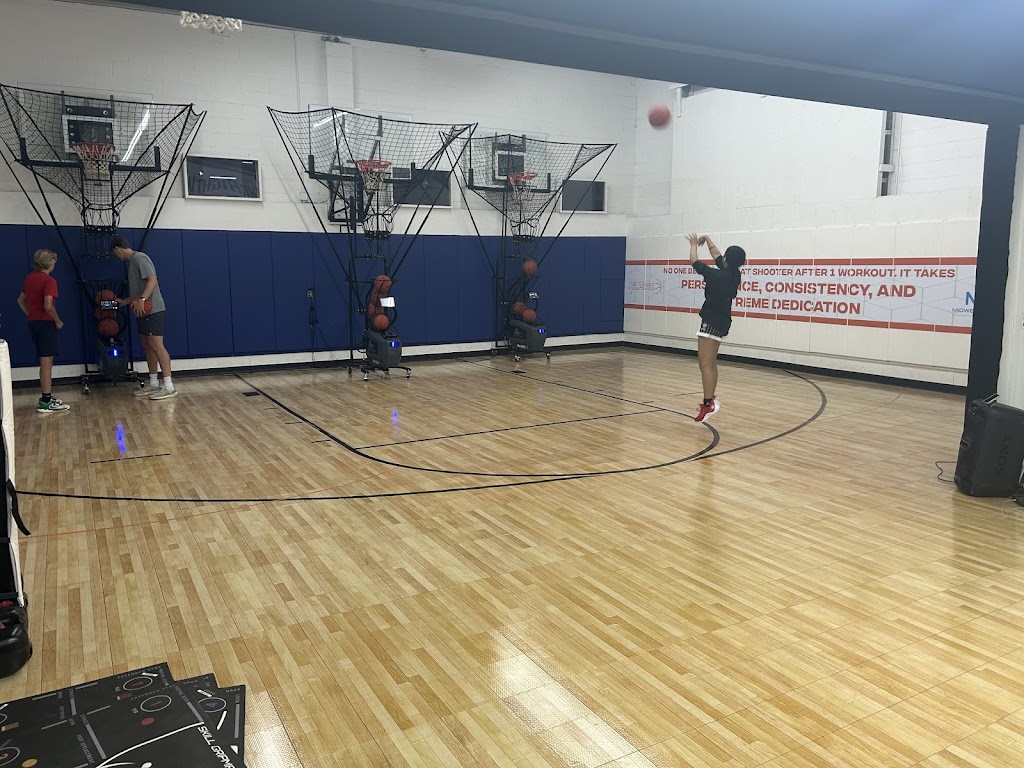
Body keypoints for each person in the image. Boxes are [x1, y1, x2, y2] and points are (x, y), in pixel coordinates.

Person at [686, 232, 746, 423]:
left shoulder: (718, 275)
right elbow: (716, 254)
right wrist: (707, 238)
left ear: (728, 259)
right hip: (722, 320)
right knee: (711, 363)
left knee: (705, 364)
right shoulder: (734, 274)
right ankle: (709, 400)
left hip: (711, 320)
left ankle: (708, 404)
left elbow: (694, 262)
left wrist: (694, 244)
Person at [110, 235, 177, 400]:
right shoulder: (132, 262)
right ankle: (154, 384)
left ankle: (168, 386)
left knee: (156, 345)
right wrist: (123, 302)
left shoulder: (140, 258)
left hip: (153, 310)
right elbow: (137, 292)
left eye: (115, 254)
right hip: (142, 311)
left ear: (117, 249)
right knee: (147, 346)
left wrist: (142, 299)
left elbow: (152, 280)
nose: (117, 257)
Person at [17, 249, 70, 413]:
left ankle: (47, 396)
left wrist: (31, 314)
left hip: (34, 323)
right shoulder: (49, 281)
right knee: (46, 363)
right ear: (50, 263)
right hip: (46, 325)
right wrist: (58, 321)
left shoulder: (29, 278)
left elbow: (20, 300)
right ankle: (46, 401)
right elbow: (48, 306)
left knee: (44, 361)